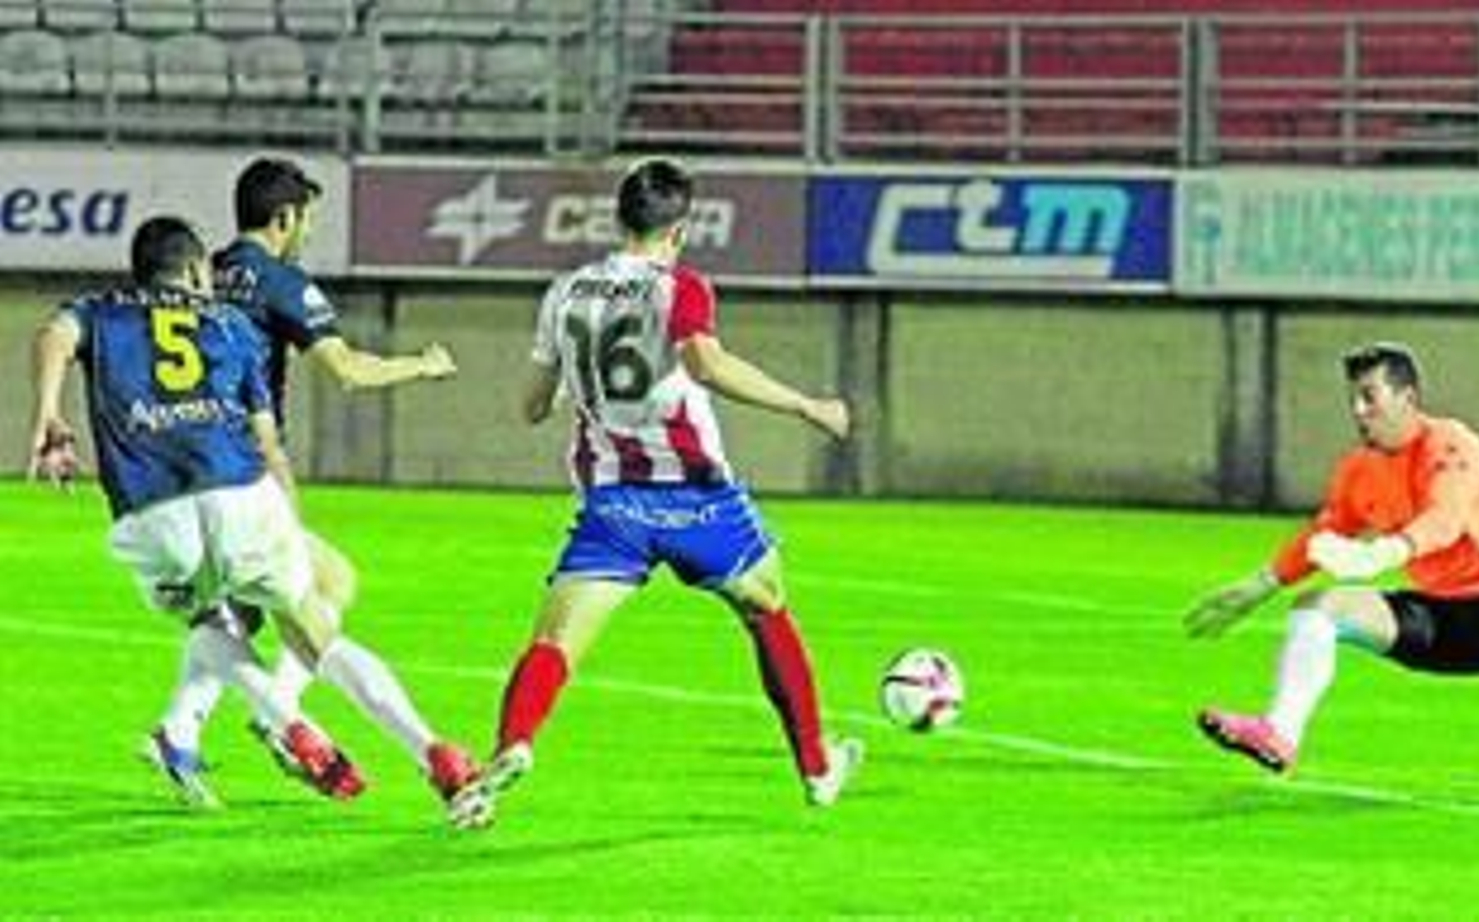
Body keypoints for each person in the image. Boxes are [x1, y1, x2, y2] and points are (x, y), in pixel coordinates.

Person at [29, 216, 486, 825]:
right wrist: (284, 521)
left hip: (152, 513)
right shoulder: (232, 325)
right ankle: (432, 752)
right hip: (242, 496)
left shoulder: (101, 311)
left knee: (210, 621)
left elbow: (53, 336)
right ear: (196, 270)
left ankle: (283, 719)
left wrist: (49, 415)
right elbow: (266, 441)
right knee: (314, 628)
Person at [456, 157, 863, 826]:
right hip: (700, 499)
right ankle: (818, 768)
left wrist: (574, 380)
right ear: (679, 231)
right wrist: (806, 405)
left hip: (614, 504)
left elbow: (530, 407)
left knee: (555, 640)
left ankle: (510, 749)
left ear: (619, 219)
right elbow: (706, 363)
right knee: (768, 609)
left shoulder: (566, 291)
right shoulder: (681, 287)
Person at [150, 157, 459, 797]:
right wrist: (422, 365)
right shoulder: (279, 281)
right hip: (242, 473)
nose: (308, 230)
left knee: (240, 612)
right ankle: (294, 720)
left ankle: (179, 732)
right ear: (285, 217)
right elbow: (348, 369)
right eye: (307, 218)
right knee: (323, 594)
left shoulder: (205, 273)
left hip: (180, 470)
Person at [1185, 341, 1479, 773]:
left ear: (1408, 398)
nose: (1359, 411)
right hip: (1440, 614)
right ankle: (1280, 732)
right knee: (1318, 608)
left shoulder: (1452, 444)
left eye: (1370, 397)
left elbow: (1445, 519)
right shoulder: (1358, 469)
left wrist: (1380, 554)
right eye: (1353, 399)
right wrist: (1261, 585)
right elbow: (1324, 533)